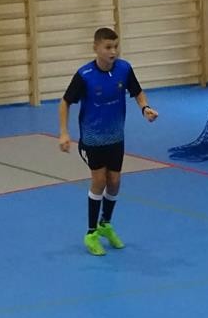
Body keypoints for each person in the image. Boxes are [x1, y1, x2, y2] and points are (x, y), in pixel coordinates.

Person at [57, 27, 158, 256]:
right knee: (99, 180)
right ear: (96, 48)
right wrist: (64, 133)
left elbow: (138, 92)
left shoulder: (124, 69)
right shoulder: (85, 75)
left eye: (115, 47)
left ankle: (105, 224)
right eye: (108, 47)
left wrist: (145, 108)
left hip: (116, 138)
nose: (113, 52)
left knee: (114, 182)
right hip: (92, 140)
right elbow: (65, 103)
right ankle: (91, 233)